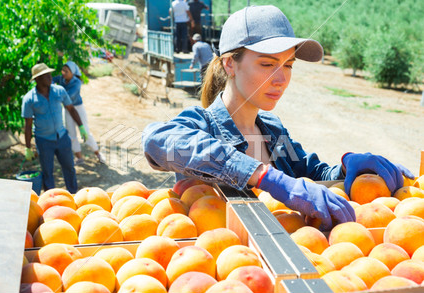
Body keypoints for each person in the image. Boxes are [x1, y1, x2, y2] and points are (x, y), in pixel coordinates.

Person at [142, 5, 415, 231]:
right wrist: (264, 176)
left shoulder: (272, 131)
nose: (281, 79)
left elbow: (309, 177)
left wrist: (347, 170)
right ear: (229, 64)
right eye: (267, 64)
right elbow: (156, 139)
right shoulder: (204, 125)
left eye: (288, 65)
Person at [22, 63, 87, 194]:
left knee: (69, 168)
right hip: (44, 141)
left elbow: (71, 109)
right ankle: (51, 200)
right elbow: (28, 125)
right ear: (38, 79)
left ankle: (73, 194)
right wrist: (28, 147)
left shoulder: (59, 91)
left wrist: (81, 127)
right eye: (46, 76)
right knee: (47, 172)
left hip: (62, 137)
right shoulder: (29, 99)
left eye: (50, 74)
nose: (50, 77)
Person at [53, 61, 105, 165]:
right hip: (67, 109)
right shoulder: (61, 79)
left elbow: (69, 96)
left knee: (85, 131)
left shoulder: (76, 82)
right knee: (71, 134)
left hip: (77, 108)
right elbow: (50, 80)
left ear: (72, 72)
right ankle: (79, 157)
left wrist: (55, 94)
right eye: (63, 70)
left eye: (66, 71)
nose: (63, 73)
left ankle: (98, 153)